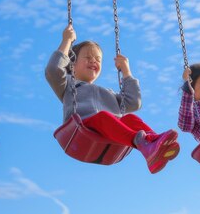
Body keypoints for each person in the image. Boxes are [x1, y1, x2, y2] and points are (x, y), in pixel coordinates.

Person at [45, 25, 179, 174]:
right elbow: (53, 70)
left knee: (131, 118)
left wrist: (126, 72)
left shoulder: (108, 94)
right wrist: (67, 41)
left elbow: (134, 103)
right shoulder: (69, 84)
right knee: (104, 117)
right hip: (82, 128)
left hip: (111, 131)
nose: (93, 61)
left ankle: (155, 144)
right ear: (72, 65)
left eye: (98, 59)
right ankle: (142, 142)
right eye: (88, 58)